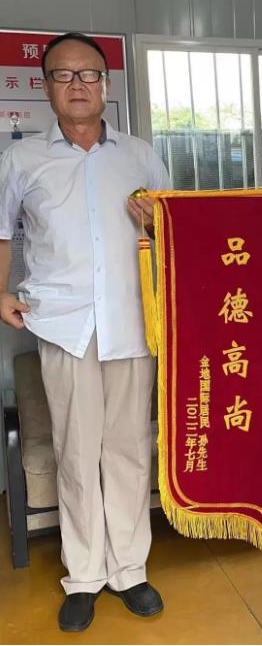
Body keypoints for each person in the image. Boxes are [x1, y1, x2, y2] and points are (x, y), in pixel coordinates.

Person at [0, 32, 171, 631]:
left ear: (106, 84)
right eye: (64, 74)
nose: (77, 85)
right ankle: (84, 576)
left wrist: (157, 222)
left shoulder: (141, 156)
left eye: (89, 74)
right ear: (45, 85)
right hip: (64, 325)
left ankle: (130, 569)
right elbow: (2, 232)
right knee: (76, 450)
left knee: (128, 449)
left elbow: (178, 232)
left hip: (132, 321)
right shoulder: (22, 160)